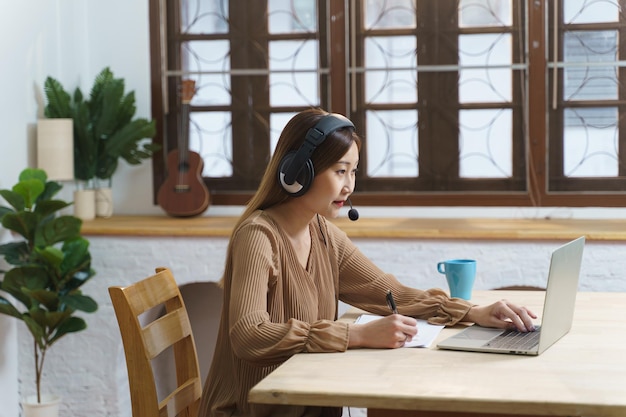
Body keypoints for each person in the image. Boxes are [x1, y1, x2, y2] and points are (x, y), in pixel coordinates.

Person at [199, 108, 537, 417]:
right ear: (298, 172)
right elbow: (248, 335)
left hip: (309, 403)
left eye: (353, 171)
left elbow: (387, 292)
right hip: (254, 411)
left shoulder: (323, 233)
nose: (348, 184)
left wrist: (470, 312)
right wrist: (356, 335)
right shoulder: (258, 237)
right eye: (339, 170)